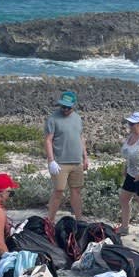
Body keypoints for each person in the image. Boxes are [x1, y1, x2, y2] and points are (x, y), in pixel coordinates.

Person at [44, 90, 89, 223]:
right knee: (58, 191)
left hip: (76, 161)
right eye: (62, 106)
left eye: (67, 107)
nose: (65, 109)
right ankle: (50, 221)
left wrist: (85, 157)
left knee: (76, 191)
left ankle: (79, 219)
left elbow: (81, 137)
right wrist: (51, 160)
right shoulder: (53, 119)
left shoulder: (77, 118)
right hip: (60, 162)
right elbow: (48, 140)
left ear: (73, 106)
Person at [115, 111, 139, 236]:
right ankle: (125, 227)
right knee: (124, 198)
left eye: (132, 123)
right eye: (129, 123)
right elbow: (129, 155)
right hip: (131, 174)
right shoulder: (130, 136)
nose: (129, 125)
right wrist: (126, 167)